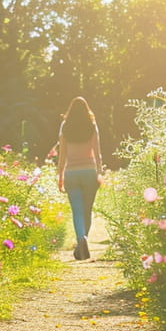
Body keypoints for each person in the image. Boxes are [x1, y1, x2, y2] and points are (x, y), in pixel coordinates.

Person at [56, 97, 103, 261]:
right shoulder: (92, 126)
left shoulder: (65, 127)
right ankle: (84, 240)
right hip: (89, 172)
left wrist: (60, 175)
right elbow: (97, 153)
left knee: (77, 211)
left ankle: (81, 239)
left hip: (71, 173)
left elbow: (62, 155)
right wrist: (100, 172)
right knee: (86, 210)